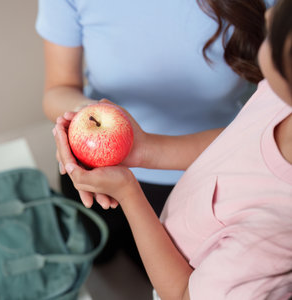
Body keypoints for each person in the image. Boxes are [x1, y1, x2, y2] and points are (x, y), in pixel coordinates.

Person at [52, 0, 292, 298]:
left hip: (167, 216)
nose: (270, 14)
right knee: (96, 250)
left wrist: (128, 192)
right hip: (154, 180)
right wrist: (143, 149)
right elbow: (242, 141)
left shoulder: (271, 236)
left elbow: (181, 293)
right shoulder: (278, 98)